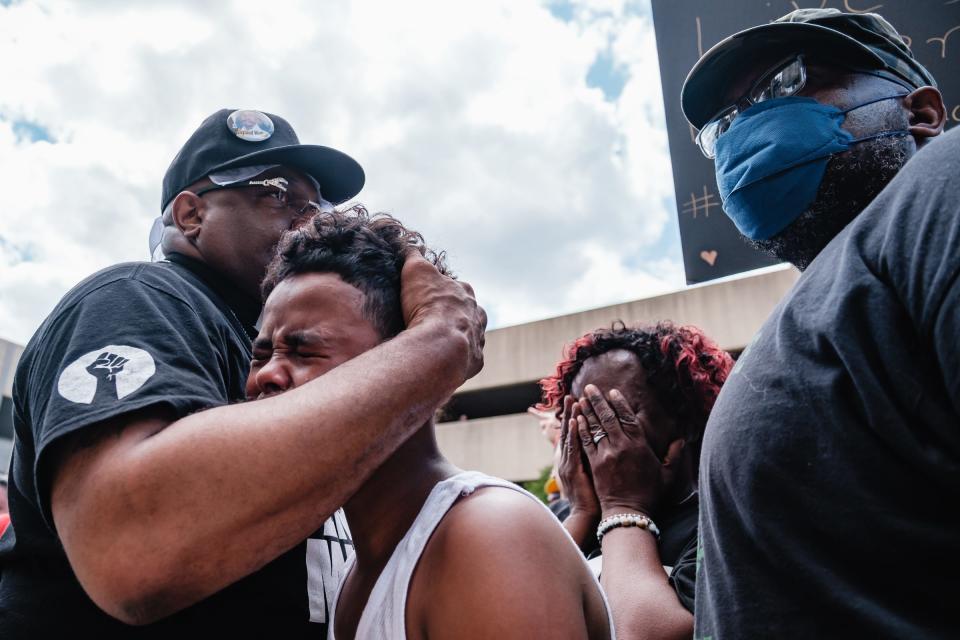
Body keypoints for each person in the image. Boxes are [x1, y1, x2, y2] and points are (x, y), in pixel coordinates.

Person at [0, 109, 486, 637]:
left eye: (317, 205)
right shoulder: (140, 299)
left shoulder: (279, 349)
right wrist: (439, 341)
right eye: (275, 193)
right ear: (190, 215)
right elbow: (133, 546)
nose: (308, 219)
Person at [681, 9, 956, 637]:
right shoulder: (798, 323)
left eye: (787, 81)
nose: (745, 126)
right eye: (727, 122)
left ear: (922, 113)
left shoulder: (943, 184)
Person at [247, 207, 613, 639]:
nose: (265, 375)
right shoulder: (357, 564)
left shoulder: (486, 535)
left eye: (304, 351)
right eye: (261, 354)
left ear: (416, 364)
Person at [539, 323, 732, 640]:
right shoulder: (561, 519)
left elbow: (640, 633)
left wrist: (622, 506)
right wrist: (581, 515)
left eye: (613, 412)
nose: (594, 432)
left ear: (685, 423)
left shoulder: (718, 525)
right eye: (579, 417)